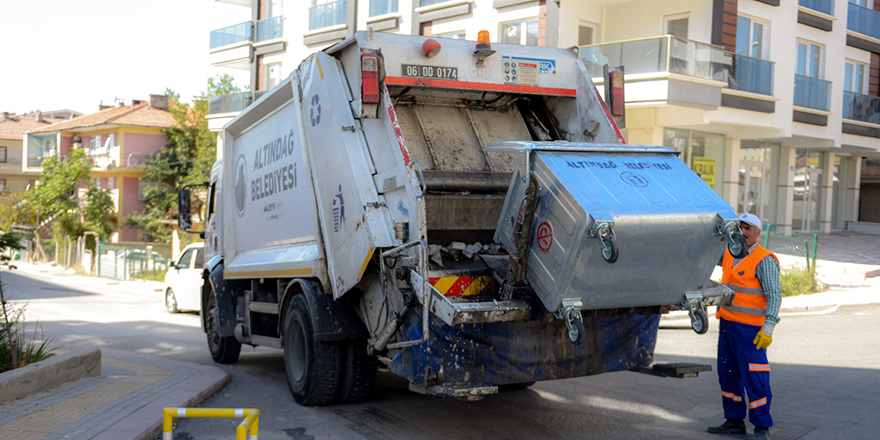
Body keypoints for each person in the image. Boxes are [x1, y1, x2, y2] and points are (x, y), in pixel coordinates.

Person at [708, 213, 780, 440]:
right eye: (740, 227)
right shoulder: (729, 253)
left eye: (748, 228)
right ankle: (734, 421)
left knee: (755, 377)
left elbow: (774, 296)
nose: (743, 232)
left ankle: (761, 427)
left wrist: (768, 327)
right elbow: (707, 254)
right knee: (728, 374)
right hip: (728, 325)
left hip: (751, 330)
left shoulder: (764, 259)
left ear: (758, 233)